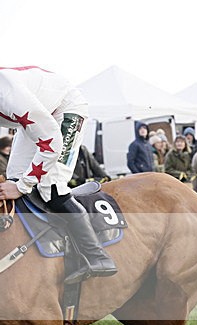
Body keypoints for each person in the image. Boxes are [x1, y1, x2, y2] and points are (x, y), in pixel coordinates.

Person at [0, 66, 117, 283]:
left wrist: (22, 187)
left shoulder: (9, 95)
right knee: (14, 174)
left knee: (50, 185)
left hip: (65, 108)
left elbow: (52, 143)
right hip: (36, 115)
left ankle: (97, 256)